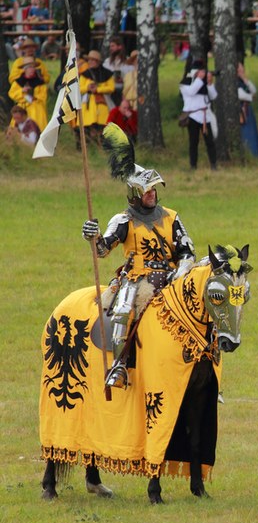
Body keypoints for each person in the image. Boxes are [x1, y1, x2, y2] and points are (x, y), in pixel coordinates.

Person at [81, 123, 196, 389]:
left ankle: (201, 362)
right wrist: (93, 237)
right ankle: (120, 365)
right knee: (125, 310)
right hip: (137, 279)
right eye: (147, 191)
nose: (152, 194)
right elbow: (103, 249)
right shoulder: (123, 220)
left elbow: (187, 250)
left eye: (154, 189)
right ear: (135, 193)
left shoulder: (171, 216)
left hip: (171, 276)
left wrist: (182, 271)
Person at [178, 60, 218, 170]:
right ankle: (193, 165)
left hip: (205, 116)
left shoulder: (203, 83)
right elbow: (191, 92)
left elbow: (213, 96)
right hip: (192, 116)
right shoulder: (185, 84)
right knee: (193, 142)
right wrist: (200, 79)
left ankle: (214, 165)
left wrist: (209, 83)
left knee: (210, 142)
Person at [75, 50, 115, 144]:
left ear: (97, 61)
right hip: (88, 105)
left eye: (92, 60)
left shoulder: (107, 74)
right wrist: (87, 87)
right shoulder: (85, 74)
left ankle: (101, 146)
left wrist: (98, 89)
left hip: (102, 104)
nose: (90, 62)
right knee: (85, 126)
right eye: (89, 60)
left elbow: (111, 88)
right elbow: (79, 88)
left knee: (102, 126)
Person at [8, 55, 48, 131]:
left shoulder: (40, 82)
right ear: (25, 69)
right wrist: (22, 91)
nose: (32, 69)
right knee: (17, 129)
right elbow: (12, 93)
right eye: (30, 67)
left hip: (37, 109)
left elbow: (43, 95)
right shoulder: (19, 81)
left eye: (33, 67)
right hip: (22, 108)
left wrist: (35, 97)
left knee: (38, 129)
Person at [237, 62, 258, 158]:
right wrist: (251, 97)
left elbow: (254, 90)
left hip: (247, 109)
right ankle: (249, 152)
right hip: (242, 110)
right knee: (245, 130)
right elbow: (241, 95)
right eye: (240, 68)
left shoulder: (243, 81)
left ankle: (256, 152)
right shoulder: (235, 82)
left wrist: (245, 79)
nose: (242, 70)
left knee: (252, 130)